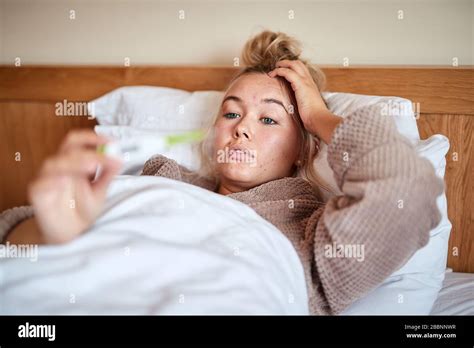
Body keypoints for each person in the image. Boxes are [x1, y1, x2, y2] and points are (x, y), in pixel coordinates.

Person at [1, 30, 444, 315]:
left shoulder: (311, 234)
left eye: (270, 119)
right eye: (231, 114)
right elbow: (12, 239)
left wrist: (319, 118)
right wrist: (48, 232)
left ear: (302, 148)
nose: (243, 128)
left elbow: (406, 190)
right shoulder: (156, 180)